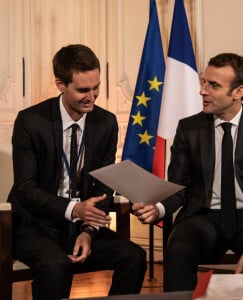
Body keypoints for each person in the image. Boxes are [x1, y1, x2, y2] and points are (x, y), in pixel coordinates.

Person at [132, 53, 243, 292]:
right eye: (203, 82)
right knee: (178, 247)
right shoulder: (189, 128)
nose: (202, 91)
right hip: (204, 217)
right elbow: (179, 187)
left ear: (238, 92)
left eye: (213, 85)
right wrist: (157, 208)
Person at [8, 44, 146, 300]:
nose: (92, 96)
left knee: (134, 256)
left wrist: (88, 230)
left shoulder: (106, 122)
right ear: (61, 84)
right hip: (34, 224)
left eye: (96, 88)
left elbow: (104, 186)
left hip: (79, 226)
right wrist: (74, 209)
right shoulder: (30, 121)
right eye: (83, 90)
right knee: (54, 264)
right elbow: (25, 189)